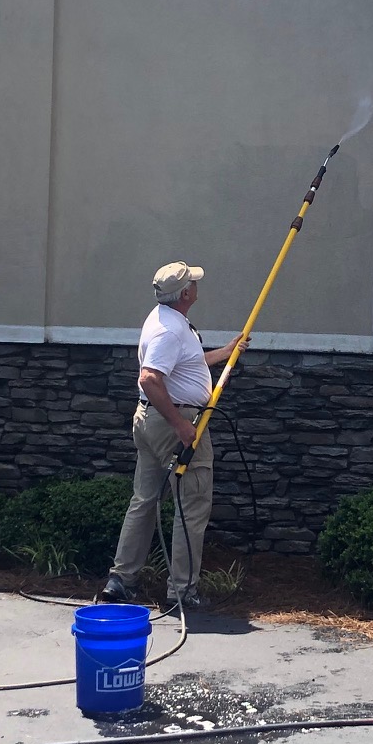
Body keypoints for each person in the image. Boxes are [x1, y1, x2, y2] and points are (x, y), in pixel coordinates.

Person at [101, 261, 240, 609]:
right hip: (173, 424)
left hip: (151, 421)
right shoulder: (170, 330)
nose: (196, 285)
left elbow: (184, 364)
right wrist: (182, 426)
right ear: (185, 294)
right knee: (191, 506)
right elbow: (150, 377)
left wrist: (224, 353)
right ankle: (182, 590)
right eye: (192, 282)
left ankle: (121, 580)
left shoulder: (164, 320)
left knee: (145, 500)